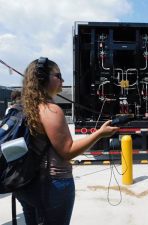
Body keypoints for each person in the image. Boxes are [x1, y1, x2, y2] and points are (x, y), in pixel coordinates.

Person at [14, 57, 119, 225]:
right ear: (43, 78)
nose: (63, 80)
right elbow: (67, 151)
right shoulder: (51, 110)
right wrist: (100, 133)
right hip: (52, 185)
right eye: (58, 75)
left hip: (26, 183)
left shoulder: (23, 107)